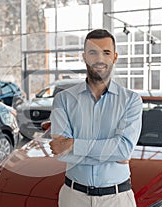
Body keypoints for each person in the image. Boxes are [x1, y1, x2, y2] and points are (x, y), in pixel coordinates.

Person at [49, 29, 143, 207]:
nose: (99, 59)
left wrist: (73, 144)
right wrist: (112, 153)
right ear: (84, 57)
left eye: (106, 52)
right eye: (93, 52)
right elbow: (61, 152)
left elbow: (123, 149)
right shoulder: (64, 99)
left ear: (114, 57)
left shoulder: (131, 100)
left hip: (118, 199)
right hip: (73, 198)